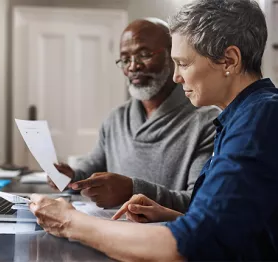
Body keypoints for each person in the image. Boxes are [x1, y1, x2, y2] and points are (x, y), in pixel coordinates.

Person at [30, 0, 278, 260]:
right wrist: (171, 215)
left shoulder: (259, 119)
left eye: (183, 63)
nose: (176, 76)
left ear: (229, 60)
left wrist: (71, 222)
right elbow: (230, 227)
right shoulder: (240, 118)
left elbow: (191, 244)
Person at [50, 18, 220, 211]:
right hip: (111, 232)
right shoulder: (116, 118)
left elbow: (199, 202)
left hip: (166, 237)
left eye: (144, 54)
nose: (132, 66)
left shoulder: (207, 122)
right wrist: (72, 178)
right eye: (125, 59)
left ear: (173, 56)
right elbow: (92, 166)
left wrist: (133, 190)